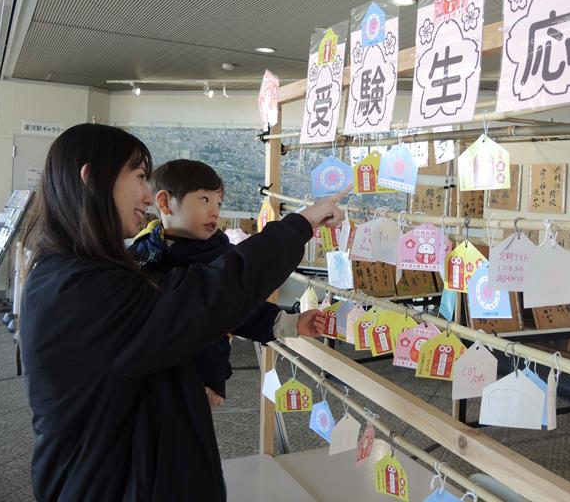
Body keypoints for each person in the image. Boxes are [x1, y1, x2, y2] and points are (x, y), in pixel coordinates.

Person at [20, 123, 348, 501]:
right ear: (91, 179)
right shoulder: (84, 289)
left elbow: (209, 300)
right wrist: (301, 224)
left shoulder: (77, 271)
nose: (147, 195)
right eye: (139, 176)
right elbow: (207, 297)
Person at [128, 158, 324, 409]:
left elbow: (243, 309)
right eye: (204, 200)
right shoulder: (141, 252)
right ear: (165, 202)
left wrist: (290, 323)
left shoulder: (222, 257)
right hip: (146, 377)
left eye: (218, 203)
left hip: (199, 380)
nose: (215, 211)